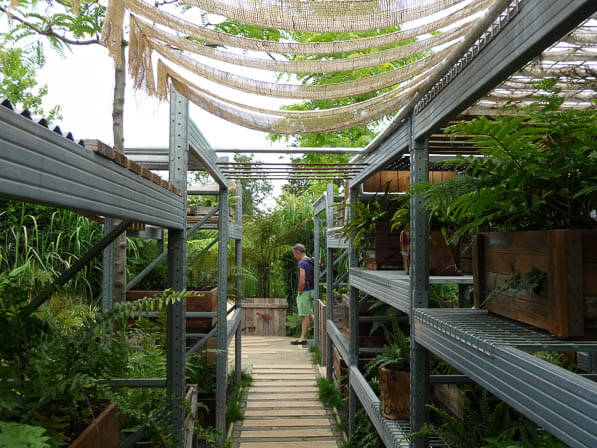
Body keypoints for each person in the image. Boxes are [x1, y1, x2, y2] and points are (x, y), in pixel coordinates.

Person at [290, 243, 314, 345]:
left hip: (305, 291)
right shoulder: (310, 260)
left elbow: (302, 279)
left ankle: (302, 338)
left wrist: (300, 291)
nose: (294, 256)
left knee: (304, 315)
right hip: (312, 290)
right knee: (309, 313)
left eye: (295, 254)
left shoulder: (302, 263)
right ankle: (322, 331)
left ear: (298, 252)